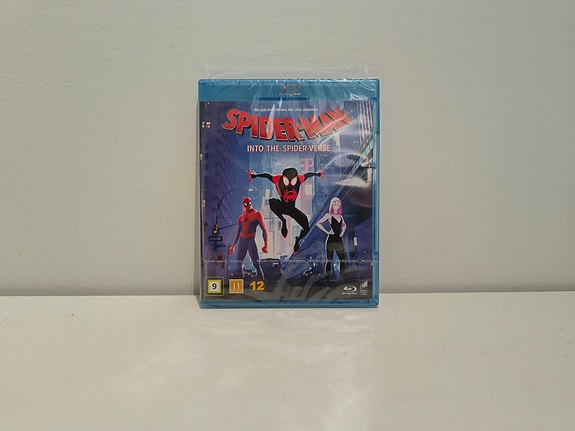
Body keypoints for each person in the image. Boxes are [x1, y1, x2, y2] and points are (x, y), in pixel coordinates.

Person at [245, 167, 324, 253]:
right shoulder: (278, 179)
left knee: (306, 226)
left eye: (292, 181)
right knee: (272, 202)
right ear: (283, 178)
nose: (290, 184)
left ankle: (297, 240)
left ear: (296, 178)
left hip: (292, 209)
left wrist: (317, 174)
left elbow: (308, 175)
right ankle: (283, 221)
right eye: (287, 181)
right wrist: (255, 175)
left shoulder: (299, 179)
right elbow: (267, 176)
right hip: (281, 206)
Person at [229, 197, 268, 279]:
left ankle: (262, 282)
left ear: (251, 203)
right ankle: (241, 282)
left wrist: (266, 245)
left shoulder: (256, 214)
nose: (248, 205)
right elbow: (238, 232)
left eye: (249, 203)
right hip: (242, 241)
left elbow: (264, 229)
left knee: (256, 264)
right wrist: (233, 246)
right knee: (239, 263)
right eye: (245, 204)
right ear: (243, 204)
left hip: (250, 240)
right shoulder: (241, 218)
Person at [316, 197, 346, 282]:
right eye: (334, 204)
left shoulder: (341, 216)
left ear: (340, 205)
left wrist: (342, 232)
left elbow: (344, 225)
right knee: (329, 260)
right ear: (331, 205)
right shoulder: (328, 215)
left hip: (339, 239)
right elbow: (318, 223)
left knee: (342, 259)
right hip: (331, 239)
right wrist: (327, 232)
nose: (336, 205)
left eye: (338, 204)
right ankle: (327, 280)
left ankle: (343, 278)